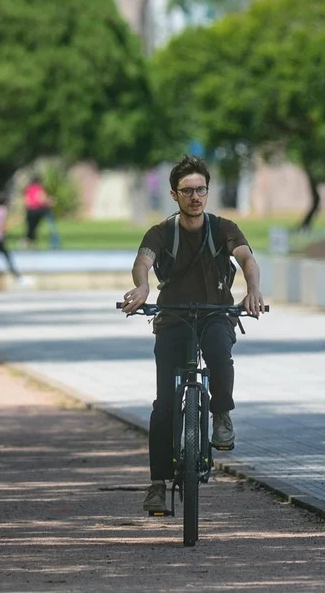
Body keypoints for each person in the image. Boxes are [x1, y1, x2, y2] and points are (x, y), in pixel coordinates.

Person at [120, 155, 265, 514]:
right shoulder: (161, 232)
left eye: (201, 190)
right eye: (187, 191)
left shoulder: (224, 228)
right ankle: (157, 484)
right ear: (174, 194)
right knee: (163, 405)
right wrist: (142, 288)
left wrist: (253, 291)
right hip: (172, 319)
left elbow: (247, 259)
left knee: (219, 354)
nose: (195, 197)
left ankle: (221, 415)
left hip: (215, 315)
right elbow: (143, 262)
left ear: (208, 192)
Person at [23, 175, 55, 248]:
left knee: (30, 227)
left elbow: (26, 200)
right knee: (35, 226)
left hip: (29, 209)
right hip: (38, 209)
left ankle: (29, 242)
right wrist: (50, 201)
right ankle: (31, 242)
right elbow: (41, 199)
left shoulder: (28, 188)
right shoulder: (39, 188)